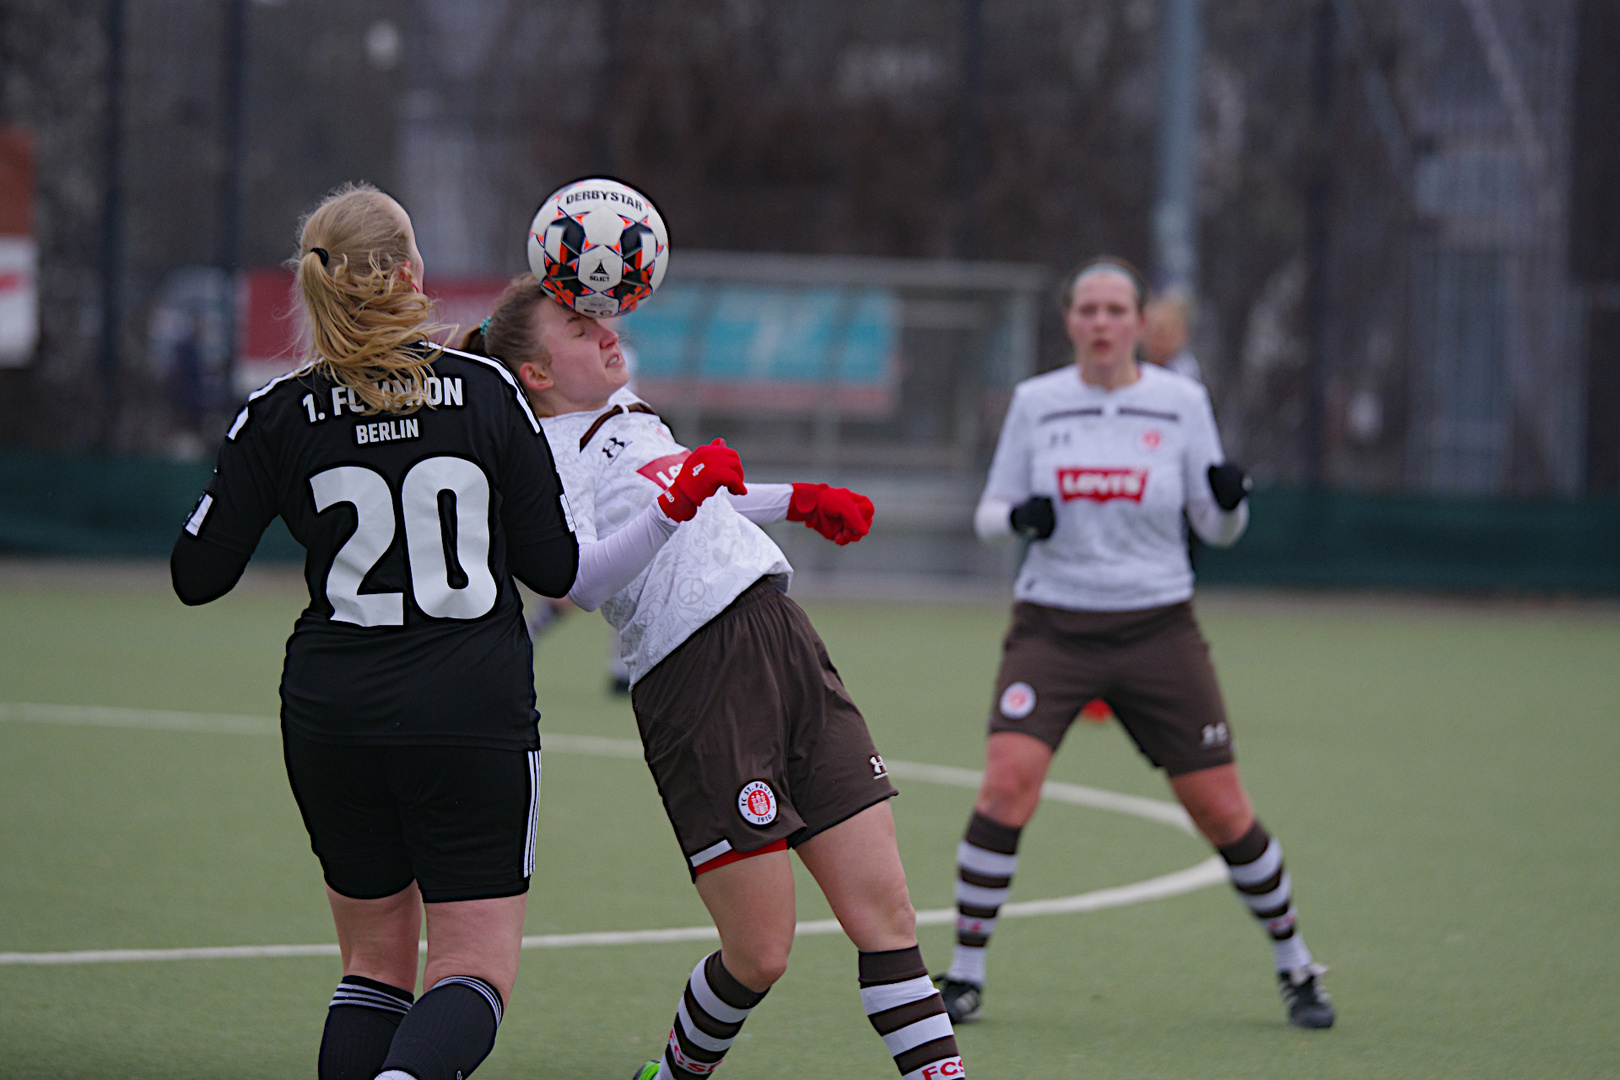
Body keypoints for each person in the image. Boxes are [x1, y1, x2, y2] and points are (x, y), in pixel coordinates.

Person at [463, 275, 968, 1080]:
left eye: (599, 314)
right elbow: (579, 581)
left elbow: (696, 492)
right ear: (536, 372)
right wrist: (681, 503)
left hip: (783, 636)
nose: (603, 329)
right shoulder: (547, 455)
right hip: (695, 678)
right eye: (575, 323)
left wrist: (797, 499)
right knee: (761, 952)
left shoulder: (631, 411)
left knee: (889, 913)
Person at [169, 183, 582, 1080]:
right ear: (407, 273)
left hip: (332, 714)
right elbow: (555, 570)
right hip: (470, 711)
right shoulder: (486, 391)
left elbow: (196, 577)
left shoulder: (276, 411)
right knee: (470, 965)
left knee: (373, 966)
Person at [934, 257, 1335, 1030]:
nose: (1102, 323)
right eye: (1088, 309)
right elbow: (989, 512)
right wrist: (1021, 521)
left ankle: (1296, 964)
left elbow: (1215, 527)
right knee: (1005, 784)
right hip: (1052, 625)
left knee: (1220, 809)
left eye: (1117, 310)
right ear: (1069, 320)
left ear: (1140, 322)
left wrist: (1230, 505)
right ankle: (965, 972)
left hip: (1158, 626)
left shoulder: (1181, 402)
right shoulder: (1037, 401)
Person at [1141, 286, 1204, 383]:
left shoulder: (1189, 377)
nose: (1158, 339)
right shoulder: (1125, 364)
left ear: (1184, 334)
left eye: (1168, 331)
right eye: (1154, 329)